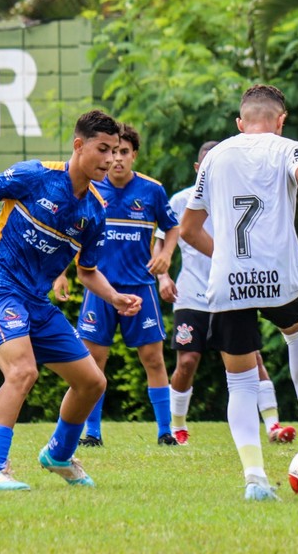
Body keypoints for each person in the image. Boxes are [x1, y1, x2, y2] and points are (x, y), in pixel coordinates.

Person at [0, 109, 141, 491]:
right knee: (23, 371)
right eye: (102, 149)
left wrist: (115, 296)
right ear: (79, 145)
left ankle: (58, 455)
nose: (109, 159)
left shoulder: (94, 212)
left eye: (115, 150)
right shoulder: (35, 175)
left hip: (34, 301)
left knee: (92, 382)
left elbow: (87, 271)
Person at [181, 84, 298, 501]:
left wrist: (224, 256)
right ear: (281, 120)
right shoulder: (290, 148)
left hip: (228, 280)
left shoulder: (214, 157)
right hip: (279, 274)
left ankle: (254, 478)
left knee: (239, 381)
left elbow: (188, 229)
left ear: (240, 123)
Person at [155, 140, 295, 445]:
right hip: (192, 294)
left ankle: (273, 425)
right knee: (187, 361)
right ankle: (177, 426)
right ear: (198, 168)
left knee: (253, 358)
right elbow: (162, 240)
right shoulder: (180, 201)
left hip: (232, 291)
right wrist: (163, 276)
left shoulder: (237, 197)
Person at [54, 125, 179, 447]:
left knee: (153, 359)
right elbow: (69, 232)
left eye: (124, 152)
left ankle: (166, 432)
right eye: (113, 151)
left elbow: (172, 227)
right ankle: (92, 433)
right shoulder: (91, 189)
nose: (118, 158)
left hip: (140, 287)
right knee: (93, 361)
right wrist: (60, 272)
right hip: (100, 289)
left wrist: (165, 255)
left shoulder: (152, 190)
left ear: (134, 155)